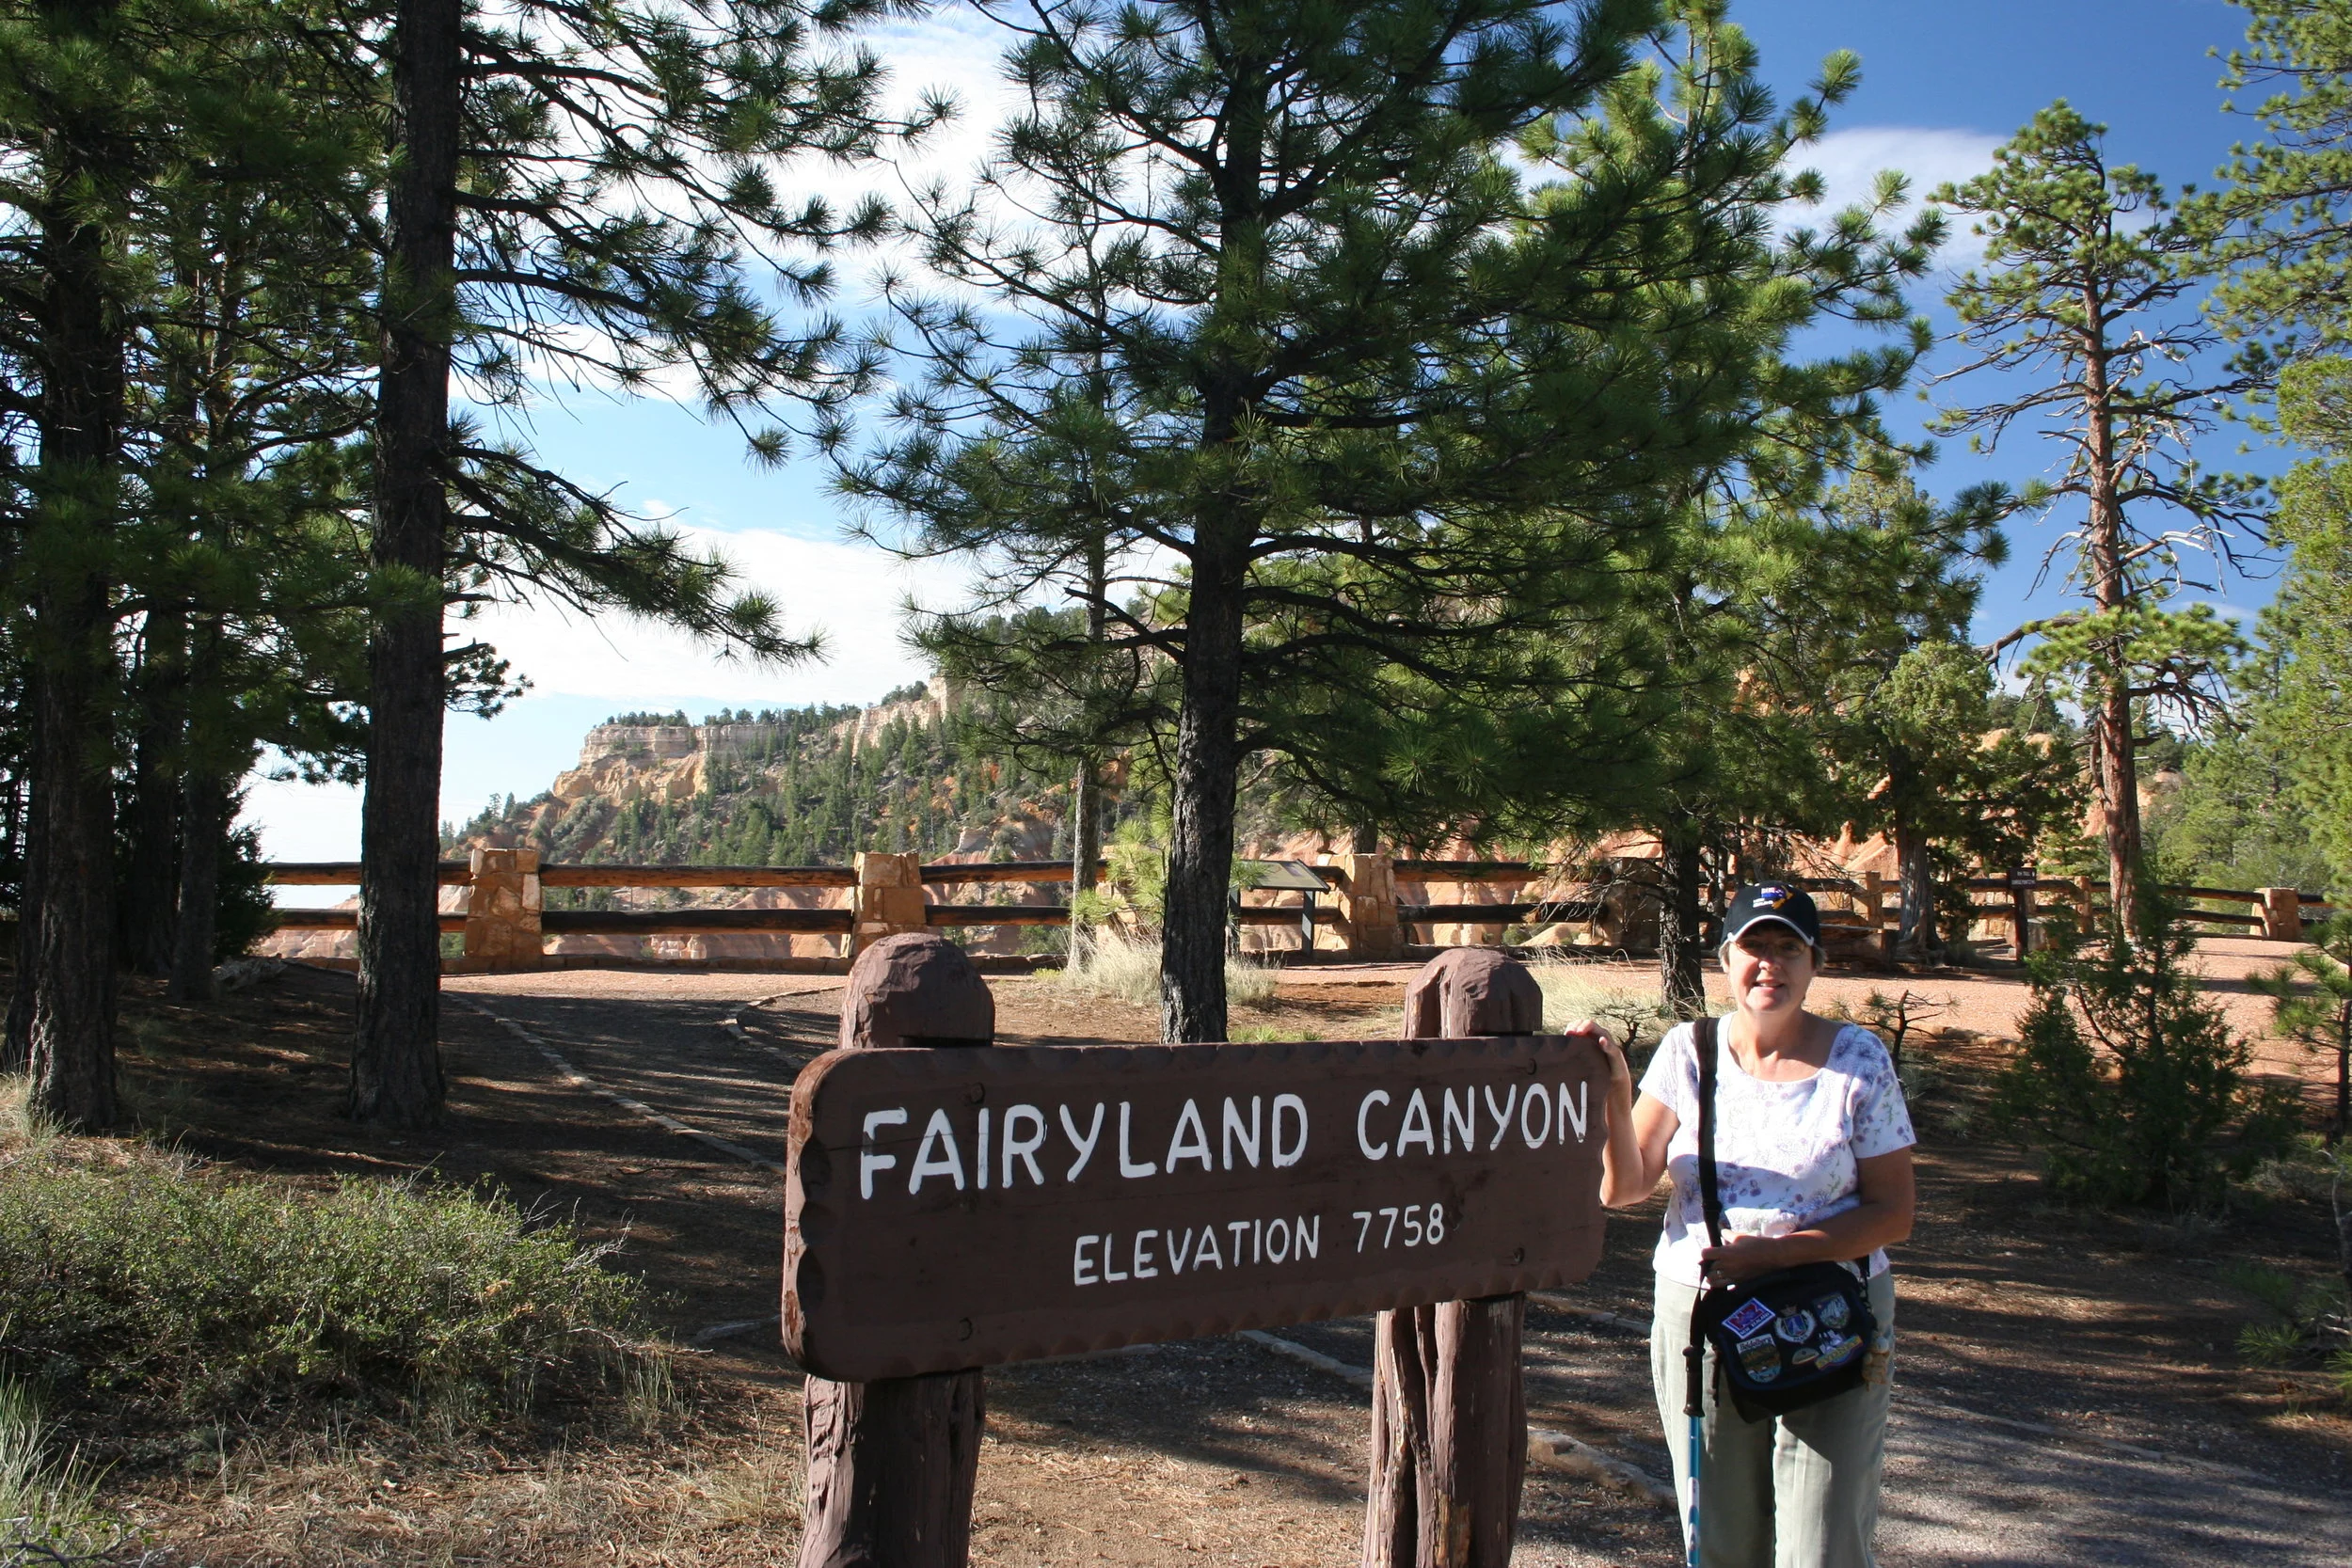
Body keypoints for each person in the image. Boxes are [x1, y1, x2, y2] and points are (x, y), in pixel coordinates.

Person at [1591, 882, 1916, 1568]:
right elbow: (1623, 1186)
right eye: (1754, 946)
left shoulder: (1859, 1061)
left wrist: (1776, 1254)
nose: (1770, 963)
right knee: (1722, 1541)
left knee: (1824, 1543)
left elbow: (1894, 1211)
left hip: (1832, 1310)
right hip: (1705, 1314)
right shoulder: (1688, 1051)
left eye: (1787, 947)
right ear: (1726, 957)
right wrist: (1618, 1097)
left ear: (1814, 962)